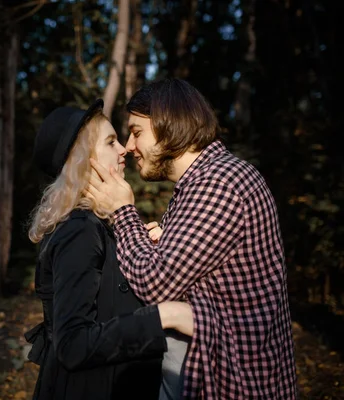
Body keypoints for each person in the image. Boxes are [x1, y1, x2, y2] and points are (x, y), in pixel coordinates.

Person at [86, 78, 298, 399]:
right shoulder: (204, 181)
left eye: (137, 132)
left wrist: (121, 210)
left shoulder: (219, 183)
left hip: (239, 382)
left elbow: (155, 284)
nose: (129, 147)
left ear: (169, 123)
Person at [24, 99, 194, 400]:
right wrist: (164, 316)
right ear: (82, 159)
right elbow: (73, 345)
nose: (124, 149)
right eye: (111, 141)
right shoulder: (79, 230)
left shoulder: (98, 224)